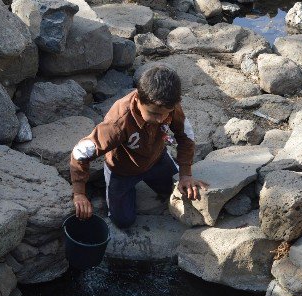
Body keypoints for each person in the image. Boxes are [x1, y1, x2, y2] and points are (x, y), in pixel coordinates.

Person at [70, 66, 208, 228]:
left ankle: (150, 179)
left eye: (166, 113)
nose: (161, 119)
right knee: (123, 221)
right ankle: (115, 189)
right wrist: (79, 192)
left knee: (178, 193)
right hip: (122, 170)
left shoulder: (169, 105)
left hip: (157, 160)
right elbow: (80, 152)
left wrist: (185, 174)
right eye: (154, 114)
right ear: (138, 99)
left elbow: (186, 135)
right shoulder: (118, 123)